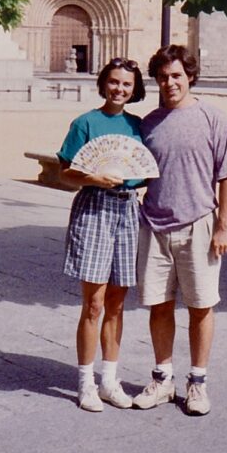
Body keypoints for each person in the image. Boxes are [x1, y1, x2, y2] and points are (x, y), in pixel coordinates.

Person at [133, 45, 227, 416]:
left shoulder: (214, 118)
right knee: (159, 306)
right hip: (155, 225)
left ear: (190, 76)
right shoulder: (148, 123)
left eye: (176, 75)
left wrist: (223, 227)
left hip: (200, 224)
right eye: (163, 77)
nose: (170, 82)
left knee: (200, 306)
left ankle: (197, 383)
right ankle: (163, 379)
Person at [57, 57, 147, 412]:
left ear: (134, 88)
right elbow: (65, 172)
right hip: (94, 207)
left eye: (126, 84)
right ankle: (86, 383)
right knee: (93, 303)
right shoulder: (85, 123)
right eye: (113, 82)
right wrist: (93, 178)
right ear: (103, 83)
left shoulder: (138, 126)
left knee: (117, 303)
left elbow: (146, 170)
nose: (119, 89)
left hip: (127, 209)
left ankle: (110, 380)